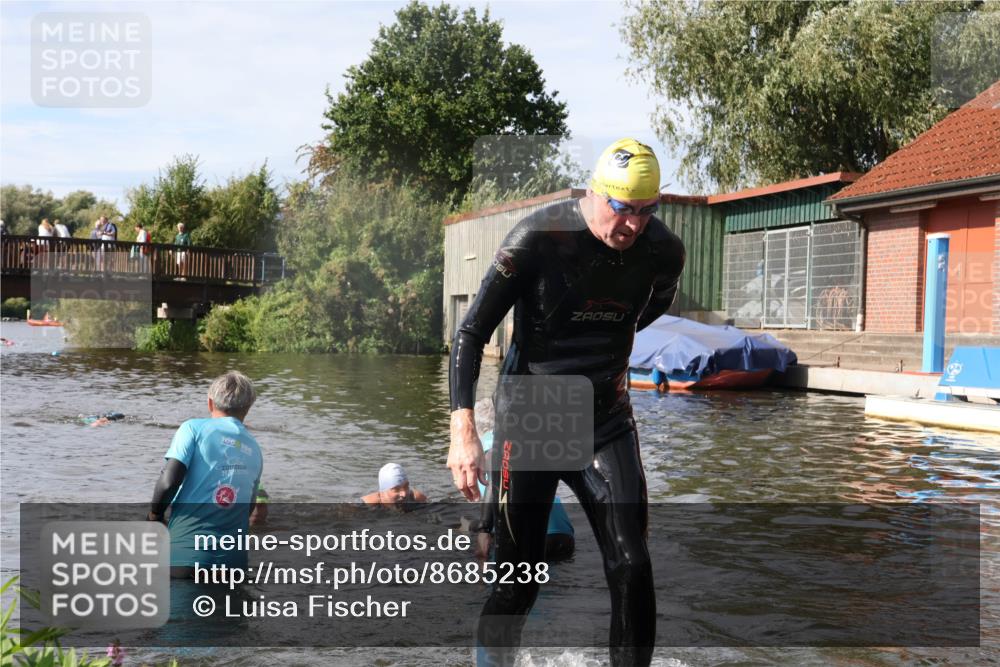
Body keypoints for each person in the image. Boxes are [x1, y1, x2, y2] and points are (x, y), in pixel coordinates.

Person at [447, 139, 685, 666]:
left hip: (606, 414)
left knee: (632, 564)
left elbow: (647, 309)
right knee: (519, 584)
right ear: (596, 192)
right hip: (536, 413)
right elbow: (471, 333)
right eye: (623, 208)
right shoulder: (540, 237)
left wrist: (600, 350)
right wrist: (463, 430)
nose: (633, 225)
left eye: (648, 211)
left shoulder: (663, 251)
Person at [147, 371, 263, 575]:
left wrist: (154, 516)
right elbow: (248, 507)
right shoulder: (255, 448)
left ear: (210, 403)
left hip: (185, 560)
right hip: (234, 567)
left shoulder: (192, 428)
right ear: (248, 408)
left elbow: (169, 482)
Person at [472, 400, 574, 564]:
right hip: (564, 535)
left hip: (531, 538)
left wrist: (482, 529)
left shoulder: (489, 447)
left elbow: (497, 482)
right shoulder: (523, 439)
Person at [361, 463, 428, 507]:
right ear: (383, 491)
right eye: (396, 489)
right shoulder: (368, 504)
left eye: (406, 486)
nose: (404, 494)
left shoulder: (416, 498)